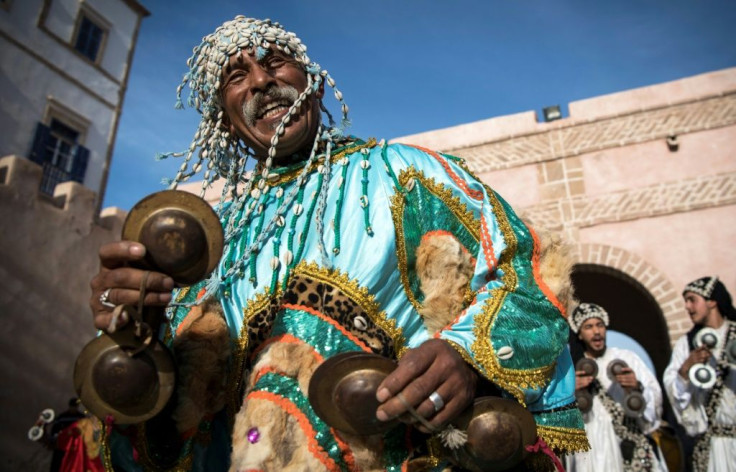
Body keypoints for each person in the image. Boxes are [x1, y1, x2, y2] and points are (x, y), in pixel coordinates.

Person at [88, 15, 588, 471]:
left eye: (275, 61)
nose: (262, 80)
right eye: (236, 76)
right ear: (226, 122)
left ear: (315, 84)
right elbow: (170, 433)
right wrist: (140, 339)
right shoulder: (212, 246)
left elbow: (528, 269)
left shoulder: (407, 175)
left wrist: (466, 356)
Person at [566, 303, 668, 472]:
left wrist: (636, 387)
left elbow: (654, 395)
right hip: (593, 448)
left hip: (628, 441)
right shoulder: (571, 368)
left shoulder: (626, 357)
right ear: (580, 334)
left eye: (600, 325)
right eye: (589, 327)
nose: (596, 331)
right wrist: (571, 390)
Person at [663, 276, 736, 472]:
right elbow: (672, 384)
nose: (687, 306)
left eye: (692, 299)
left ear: (712, 301)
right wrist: (686, 368)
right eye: (686, 301)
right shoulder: (687, 344)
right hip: (711, 448)